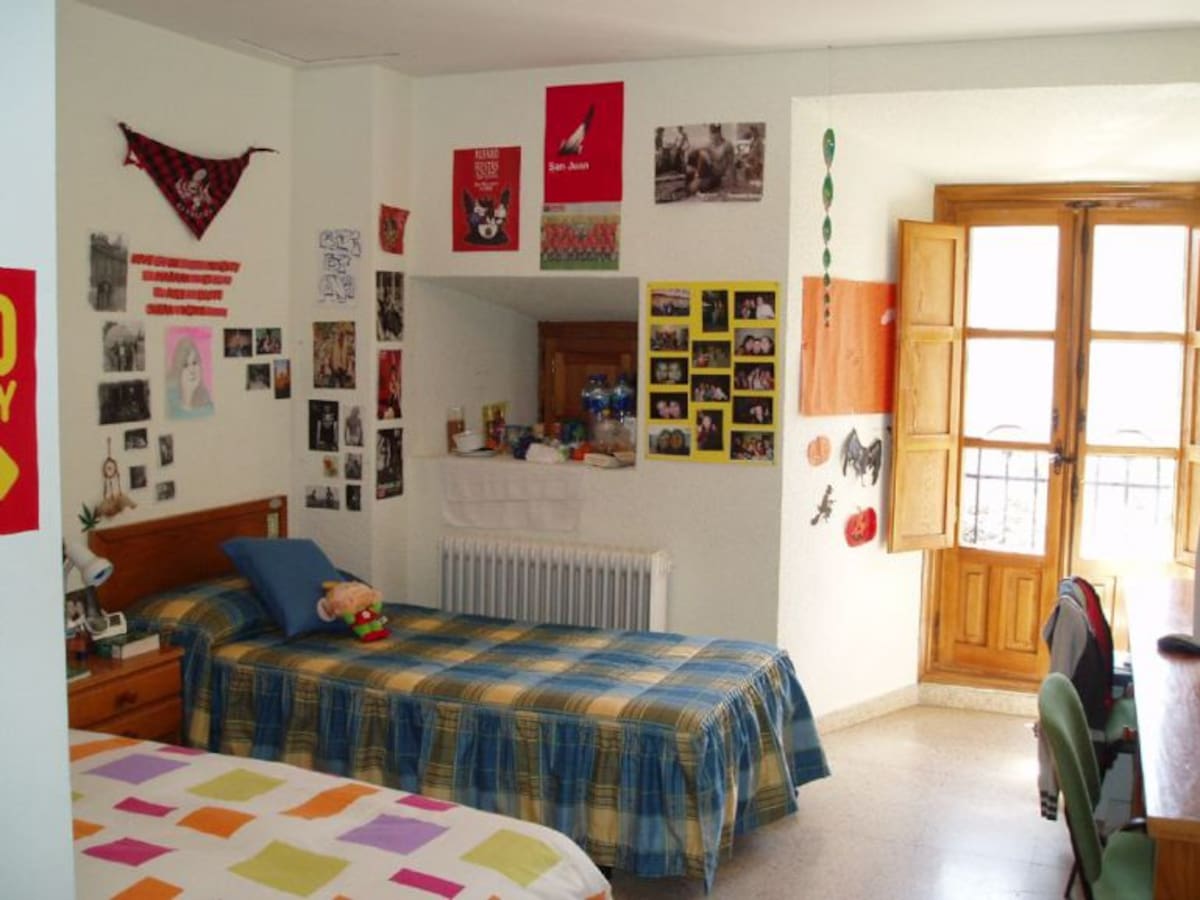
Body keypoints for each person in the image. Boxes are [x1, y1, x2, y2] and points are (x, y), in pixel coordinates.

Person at [166, 334, 213, 418]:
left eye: (195, 363)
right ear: (178, 370)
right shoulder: (168, 402)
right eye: (185, 365)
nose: (192, 369)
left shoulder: (208, 408)